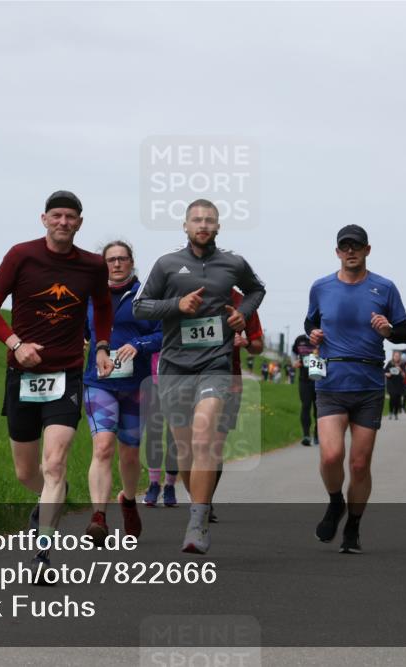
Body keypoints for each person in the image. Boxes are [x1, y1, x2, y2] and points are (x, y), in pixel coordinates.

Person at [0, 190, 114, 577]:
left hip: (67, 373)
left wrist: (101, 346)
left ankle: (42, 556)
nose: (63, 223)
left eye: (70, 217)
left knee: (54, 464)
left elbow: (103, 307)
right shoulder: (21, 255)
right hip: (22, 373)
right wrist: (16, 345)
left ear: (80, 223)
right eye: (56, 216)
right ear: (44, 219)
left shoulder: (91, 266)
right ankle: (52, 494)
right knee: (27, 473)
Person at [133, 198, 266, 554]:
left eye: (209, 220)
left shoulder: (233, 263)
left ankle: (196, 521)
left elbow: (257, 289)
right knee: (183, 451)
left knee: (205, 433)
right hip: (175, 366)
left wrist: (242, 314)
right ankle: (200, 509)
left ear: (218, 227)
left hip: (216, 363)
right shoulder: (167, 264)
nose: (203, 225)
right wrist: (177, 305)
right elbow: (140, 306)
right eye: (197, 220)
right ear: (185, 226)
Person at [305, 224, 406, 554]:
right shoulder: (321, 287)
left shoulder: (385, 288)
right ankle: (336, 502)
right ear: (337, 252)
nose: (350, 251)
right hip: (331, 381)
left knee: (360, 465)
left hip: (368, 384)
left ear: (367, 250)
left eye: (357, 246)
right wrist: (314, 336)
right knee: (332, 454)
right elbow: (311, 322)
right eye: (344, 246)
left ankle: (352, 526)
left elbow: (404, 334)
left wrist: (388, 329)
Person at [83, 241, 162, 545]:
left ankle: (128, 500)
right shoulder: (90, 295)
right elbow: (79, 328)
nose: (117, 264)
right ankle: (98, 517)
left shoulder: (147, 295)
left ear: (131, 262)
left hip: (136, 385)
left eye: (123, 259)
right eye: (111, 259)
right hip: (99, 380)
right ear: (103, 264)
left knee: (129, 453)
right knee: (103, 446)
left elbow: (163, 333)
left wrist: (139, 345)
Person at [209, 288, 264, 523]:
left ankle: (203, 502)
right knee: (190, 446)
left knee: (214, 446)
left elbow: (258, 345)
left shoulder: (242, 302)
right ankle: (197, 496)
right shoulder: (191, 293)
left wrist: (246, 342)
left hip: (229, 382)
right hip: (190, 378)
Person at [143, 352, 179, 508]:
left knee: (175, 437)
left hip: (177, 383)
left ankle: (170, 485)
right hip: (153, 382)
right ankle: (154, 484)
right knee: (153, 432)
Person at [292, 333, 319, 446]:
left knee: (318, 408)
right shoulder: (300, 339)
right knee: (306, 405)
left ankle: (318, 435)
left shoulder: (322, 338)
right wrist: (294, 361)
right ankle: (306, 436)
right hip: (304, 379)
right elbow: (294, 351)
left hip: (319, 379)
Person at [384, 350, 406, 420]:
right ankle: (390, 412)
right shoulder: (390, 363)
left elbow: (405, 376)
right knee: (392, 398)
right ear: (393, 357)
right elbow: (384, 372)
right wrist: (388, 374)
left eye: (398, 356)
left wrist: (401, 370)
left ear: (400, 357)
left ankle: (396, 413)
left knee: (397, 399)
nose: (396, 357)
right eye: (395, 356)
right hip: (391, 383)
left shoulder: (403, 364)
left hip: (399, 384)